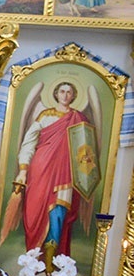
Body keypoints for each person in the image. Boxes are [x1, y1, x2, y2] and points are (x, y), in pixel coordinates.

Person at [13, 81, 95, 260]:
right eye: (62, 91)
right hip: (40, 169)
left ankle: (50, 258)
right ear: (56, 94)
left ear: (73, 96)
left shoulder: (79, 119)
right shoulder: (45, 115)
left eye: (69, 92)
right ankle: (33, 258)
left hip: (65, 173)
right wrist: (23, 170)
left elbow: (86, 150)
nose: (65, 95)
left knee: (58, 212)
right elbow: (29, 142)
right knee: (34, 212)